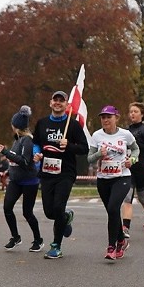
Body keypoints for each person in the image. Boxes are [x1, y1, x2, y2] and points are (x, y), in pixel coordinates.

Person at [32, 90, 89, 259]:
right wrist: (36, 154)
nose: (58, 103)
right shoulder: (41, 123)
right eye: (55, 100)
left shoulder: (73, 125)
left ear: (66, 104)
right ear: (50, 103)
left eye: (61, 100)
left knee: (58, 205)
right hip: (47, 172)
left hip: (66, 173)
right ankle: (66, 217)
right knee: (50, 212)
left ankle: (56, 246)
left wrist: (69, 145)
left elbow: (84, 148)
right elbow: (36, 143)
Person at [89, 106, 139, 259]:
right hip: (103, 179)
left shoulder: (125, 134)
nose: (105, 120)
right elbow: (89, 159)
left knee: (113, 207)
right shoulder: (97, 135)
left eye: (108, 117)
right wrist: (99, 154)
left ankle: (111, 247)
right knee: (112, 211)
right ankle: (122, 240)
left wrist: (132, 159)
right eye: (103, 117)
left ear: (116, 117)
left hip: (122, 177)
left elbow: (136, 149)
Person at [0, 105, 43, 251]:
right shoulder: (17, 140)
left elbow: (24, 161)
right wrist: (7, 171)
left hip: (29, 181)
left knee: (27, 212)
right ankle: (15, 237)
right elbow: (14, 162)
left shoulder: (27, 141)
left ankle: (38, 239)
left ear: (15, 126)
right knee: (7, 207)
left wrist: (5, 152)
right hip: (16, 180)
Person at [120, 102, 144, 236]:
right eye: (131, 112)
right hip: (129, 169)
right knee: (127, 198)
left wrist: (136, 144)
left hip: (142, 169)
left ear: (142, 114)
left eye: (135, 111)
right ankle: (125, 228)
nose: (132, 114)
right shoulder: (127, 130)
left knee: (142, 198)